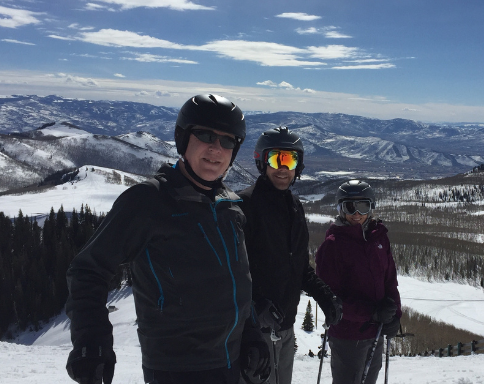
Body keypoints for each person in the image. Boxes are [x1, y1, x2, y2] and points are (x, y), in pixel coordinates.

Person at [64, 94, 271, 384]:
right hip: (177, 369)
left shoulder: (229, 208)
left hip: (231, 364)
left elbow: (237, 283)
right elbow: (88, 271)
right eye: (205, 135)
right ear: (183, 138)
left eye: (227, 141)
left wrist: (250, 334)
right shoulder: (149, 202)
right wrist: (92, 341)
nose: (216, 148)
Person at [237, 126, 343, 384]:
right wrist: (254, 306)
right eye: (276, 158)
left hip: (284, 328)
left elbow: (298, 267)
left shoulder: (294, 208)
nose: (283, 168)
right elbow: (229, 273)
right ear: (262, 162)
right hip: (251, 332)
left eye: (291, 159)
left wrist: (324, 296)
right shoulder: (244, 206)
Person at [314, 179, 402, 384]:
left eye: (363, 206)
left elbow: (390, 280)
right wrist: (370, 312)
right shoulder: (332, 246)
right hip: (348, 334)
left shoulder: (378, 238)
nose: (356, 214)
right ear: (340, 209)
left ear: (371, 207)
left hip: (377, 330)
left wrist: (395, 314)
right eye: (349, 207)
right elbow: (330, 299)